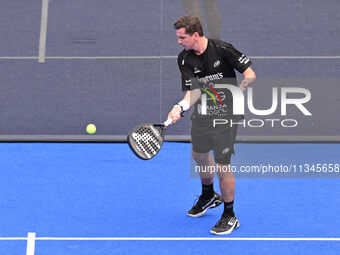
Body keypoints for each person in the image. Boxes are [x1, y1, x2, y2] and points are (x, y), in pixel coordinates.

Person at [167, 15, 256, 235]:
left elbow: (250, 73)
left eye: (182, 37)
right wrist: (180, 107)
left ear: (195, 35)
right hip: (203, 114)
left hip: (226, 115)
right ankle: (208, 195)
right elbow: (194, 90)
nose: (179, 41)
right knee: (199, 155)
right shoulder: (184, 59)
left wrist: (242, 87)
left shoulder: (222, 49)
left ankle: (229, 215)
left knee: (222, 164)